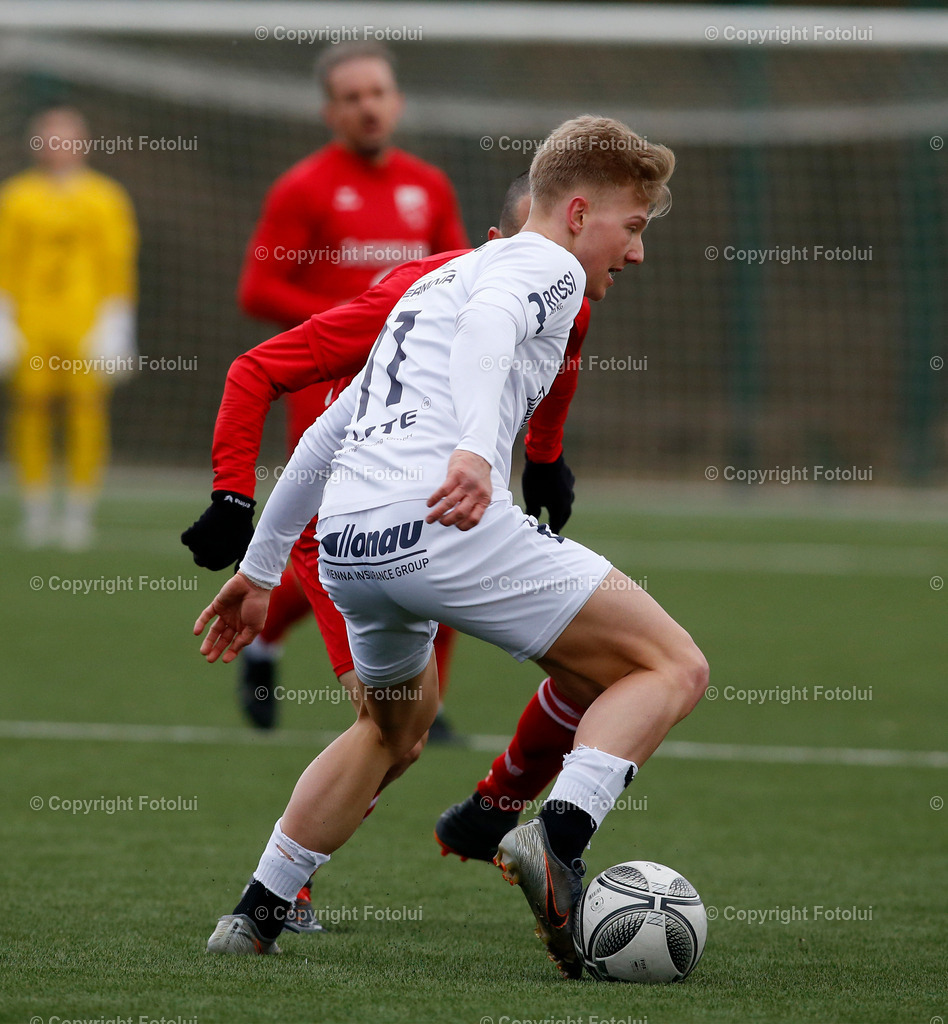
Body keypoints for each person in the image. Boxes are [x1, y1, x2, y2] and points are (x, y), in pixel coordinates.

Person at [196, 116, 707, 979]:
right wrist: (474, 449)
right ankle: (556, 835)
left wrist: (258, 571)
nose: (637, 251)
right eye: (633, 226)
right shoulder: (547, 267)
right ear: (579, 213)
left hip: (352, 547)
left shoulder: (434, 282)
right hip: (446, 525)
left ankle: (255, 912)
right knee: (672, 667)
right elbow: (492, 330)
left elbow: (326, 435)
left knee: (391, 730)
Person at [182, 171, 586, 931]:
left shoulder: (564, 295)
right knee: (390, 733)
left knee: (405, 731)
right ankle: (280, 893)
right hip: (346, 513)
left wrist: (546, 456)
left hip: (435, 514)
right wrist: (234, 499)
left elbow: (563, 361)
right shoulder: (428, 292)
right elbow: (257, 369)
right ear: (498, 245)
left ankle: (289, 890)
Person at [235, 40, 469, 730]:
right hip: (329, 392)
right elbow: (258, 287)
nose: (368, 107)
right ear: (330, 112)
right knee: (338, 548)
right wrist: (352, 321)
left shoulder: (428, 187)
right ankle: (267, 637)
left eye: (377, 93)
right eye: (352, 97)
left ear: (397, 101)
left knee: (436, 531)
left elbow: (462, 271)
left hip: (411, 391)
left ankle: (427, 707)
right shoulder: (303, 189)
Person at [0, 106, 137, 549]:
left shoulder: (105, 197)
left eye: (66, 139)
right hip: (31, 319)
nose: (57, 148)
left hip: (86, 319)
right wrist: (3, 316)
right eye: (48, 139)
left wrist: (117, 321)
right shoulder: (17, 197)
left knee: (86, 410)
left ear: (83, 144)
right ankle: (36, 508)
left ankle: (79, 511)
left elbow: (117, 262)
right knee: (30, 408)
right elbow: (6, 259)